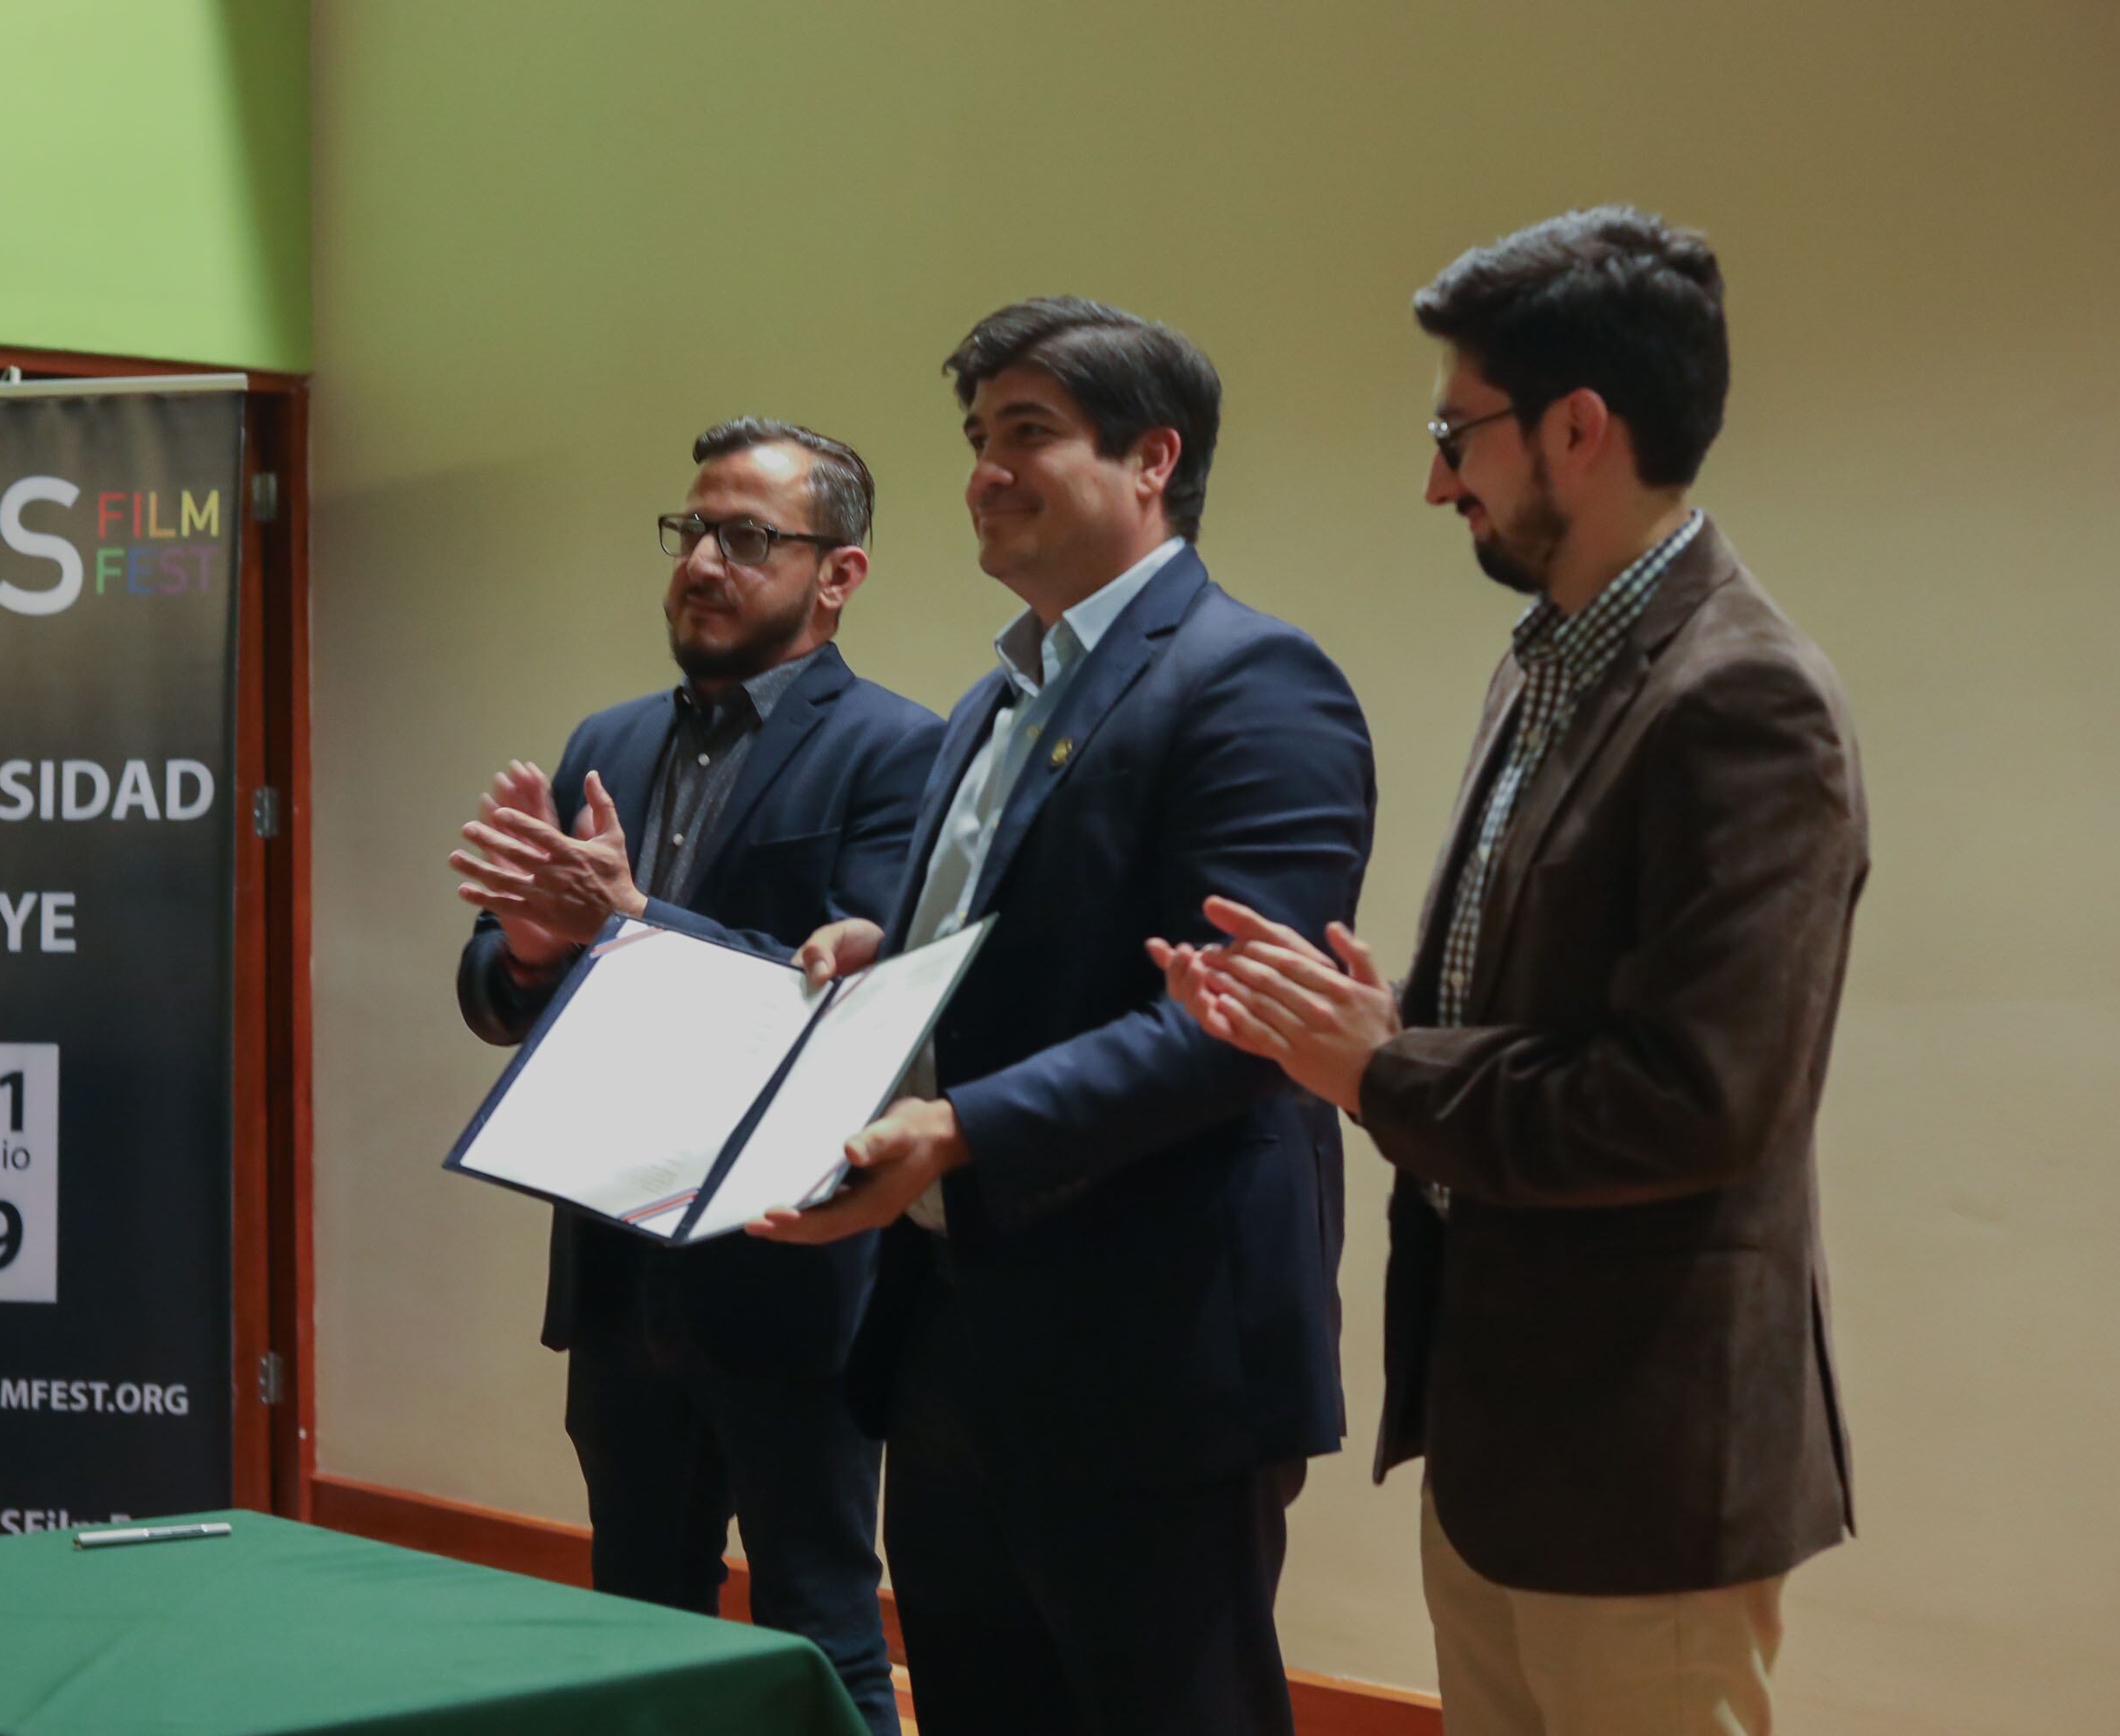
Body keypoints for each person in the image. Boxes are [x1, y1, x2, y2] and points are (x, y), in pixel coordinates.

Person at [1156, 207, 1868, 1735]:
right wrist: (1354, 1024)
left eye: (1456, 433)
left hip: (1641, 1462)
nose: (1438, 480)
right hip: (1505, 1436)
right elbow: (1542, 1017)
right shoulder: (1548, 659)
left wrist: (1381, 1068)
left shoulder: (1745, 697)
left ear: (1579, 428)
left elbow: (1695, 1100)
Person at [752, 299, 1375, 1736]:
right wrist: (891, 953)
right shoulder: (994, 700)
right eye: (978, 436)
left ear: (1154, 459)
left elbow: (1242, 1020)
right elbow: (1045, 943)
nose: (985, 471)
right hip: (954, 1332)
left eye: (1029, 432)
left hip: (1153, 1349)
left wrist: (962, 1128)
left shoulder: (1252, 681)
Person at [451, 417, 940, 1736]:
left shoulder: (901, 749)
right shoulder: (605, 742)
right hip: (620, 1260)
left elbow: (860, 1002)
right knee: (635, 1628)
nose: (704, 562)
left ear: (839, 575)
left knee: (818, 1624)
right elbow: (495, 984)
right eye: (692, 530)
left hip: (793, 1265)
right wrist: (536, 952)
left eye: (749, 537)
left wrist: (629, 921)